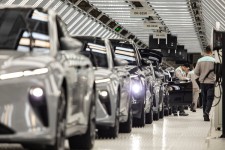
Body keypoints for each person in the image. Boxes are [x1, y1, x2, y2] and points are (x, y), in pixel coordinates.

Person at [195, 45, 215, 121]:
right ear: (211, 52)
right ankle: (206, 112)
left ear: (205, 52)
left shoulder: (200, 60)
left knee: (204, 98)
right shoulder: (214, 60)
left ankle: (204, 114)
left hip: (202, 83)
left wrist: (202, 74)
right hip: (211, 82)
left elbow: (196, 72)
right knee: (210, 98)